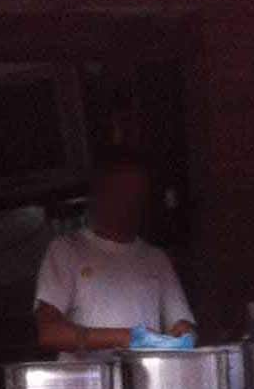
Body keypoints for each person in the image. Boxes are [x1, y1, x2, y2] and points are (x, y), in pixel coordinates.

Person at [35, 151, 196, 353]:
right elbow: (49, 333)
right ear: (100, 195)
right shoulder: (67, 250)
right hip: (88, 382)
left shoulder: (156, 259)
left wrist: (182, 337)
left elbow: (182, 325)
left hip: (144, 379)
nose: (130, 204)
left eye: (137, 195)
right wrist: (127, 338)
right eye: (121, 193)